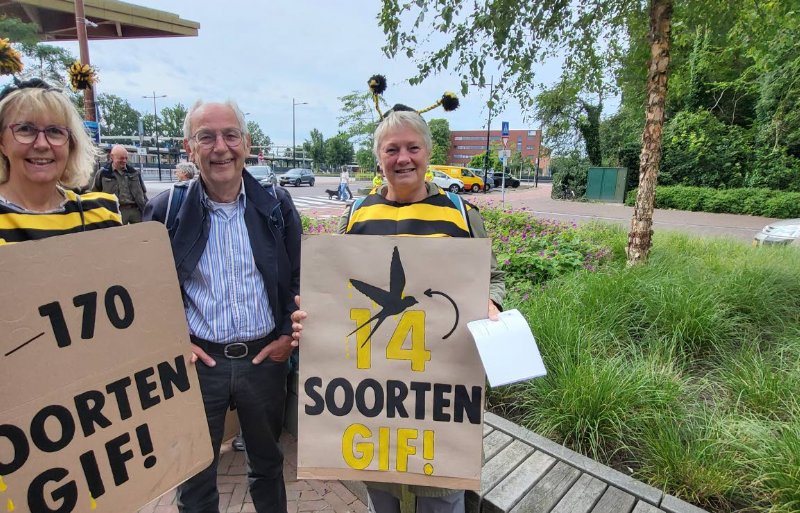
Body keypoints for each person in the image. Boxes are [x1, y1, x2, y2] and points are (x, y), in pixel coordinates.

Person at [291, 107, 504, 513]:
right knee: (382, 494)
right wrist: (313, 319)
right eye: (392, 149)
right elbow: (337, 290)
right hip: (374, 393)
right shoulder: (357, 215)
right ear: (378, 156)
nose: (402, 158)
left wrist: (491, 301)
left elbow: (492, 277)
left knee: (442, 496)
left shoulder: (460, 215)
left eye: (413, 148)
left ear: (428, 153)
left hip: (440, 387)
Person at [143, 99, 302, 513]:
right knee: (194, 477)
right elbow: (146, 294)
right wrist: (170, 343)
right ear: (189, 147)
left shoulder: (277, 206)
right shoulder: (166, 210)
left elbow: (299, 279)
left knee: (268, 467)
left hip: (264, 361)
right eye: (206, 136)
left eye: (230, 135)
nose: (221, 147)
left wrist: (287, 335)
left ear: (246, 143)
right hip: (198, 366)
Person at [0, 79, 121, 244]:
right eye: (25, 129)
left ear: (71, 144)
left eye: (54, 131)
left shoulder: (100, 214)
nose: (41, 144)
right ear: (2, 143)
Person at [93, 144, 148, 224]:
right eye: (121, 158)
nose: (124, 161)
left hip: (136, 210)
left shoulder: (134, 172)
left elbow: (143, 193)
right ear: (112, 157)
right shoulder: (103, 174)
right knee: (119, 235)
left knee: (141, 234)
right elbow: (95, 194)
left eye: (126, 158)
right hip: (115, 211)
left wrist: (147, 209)